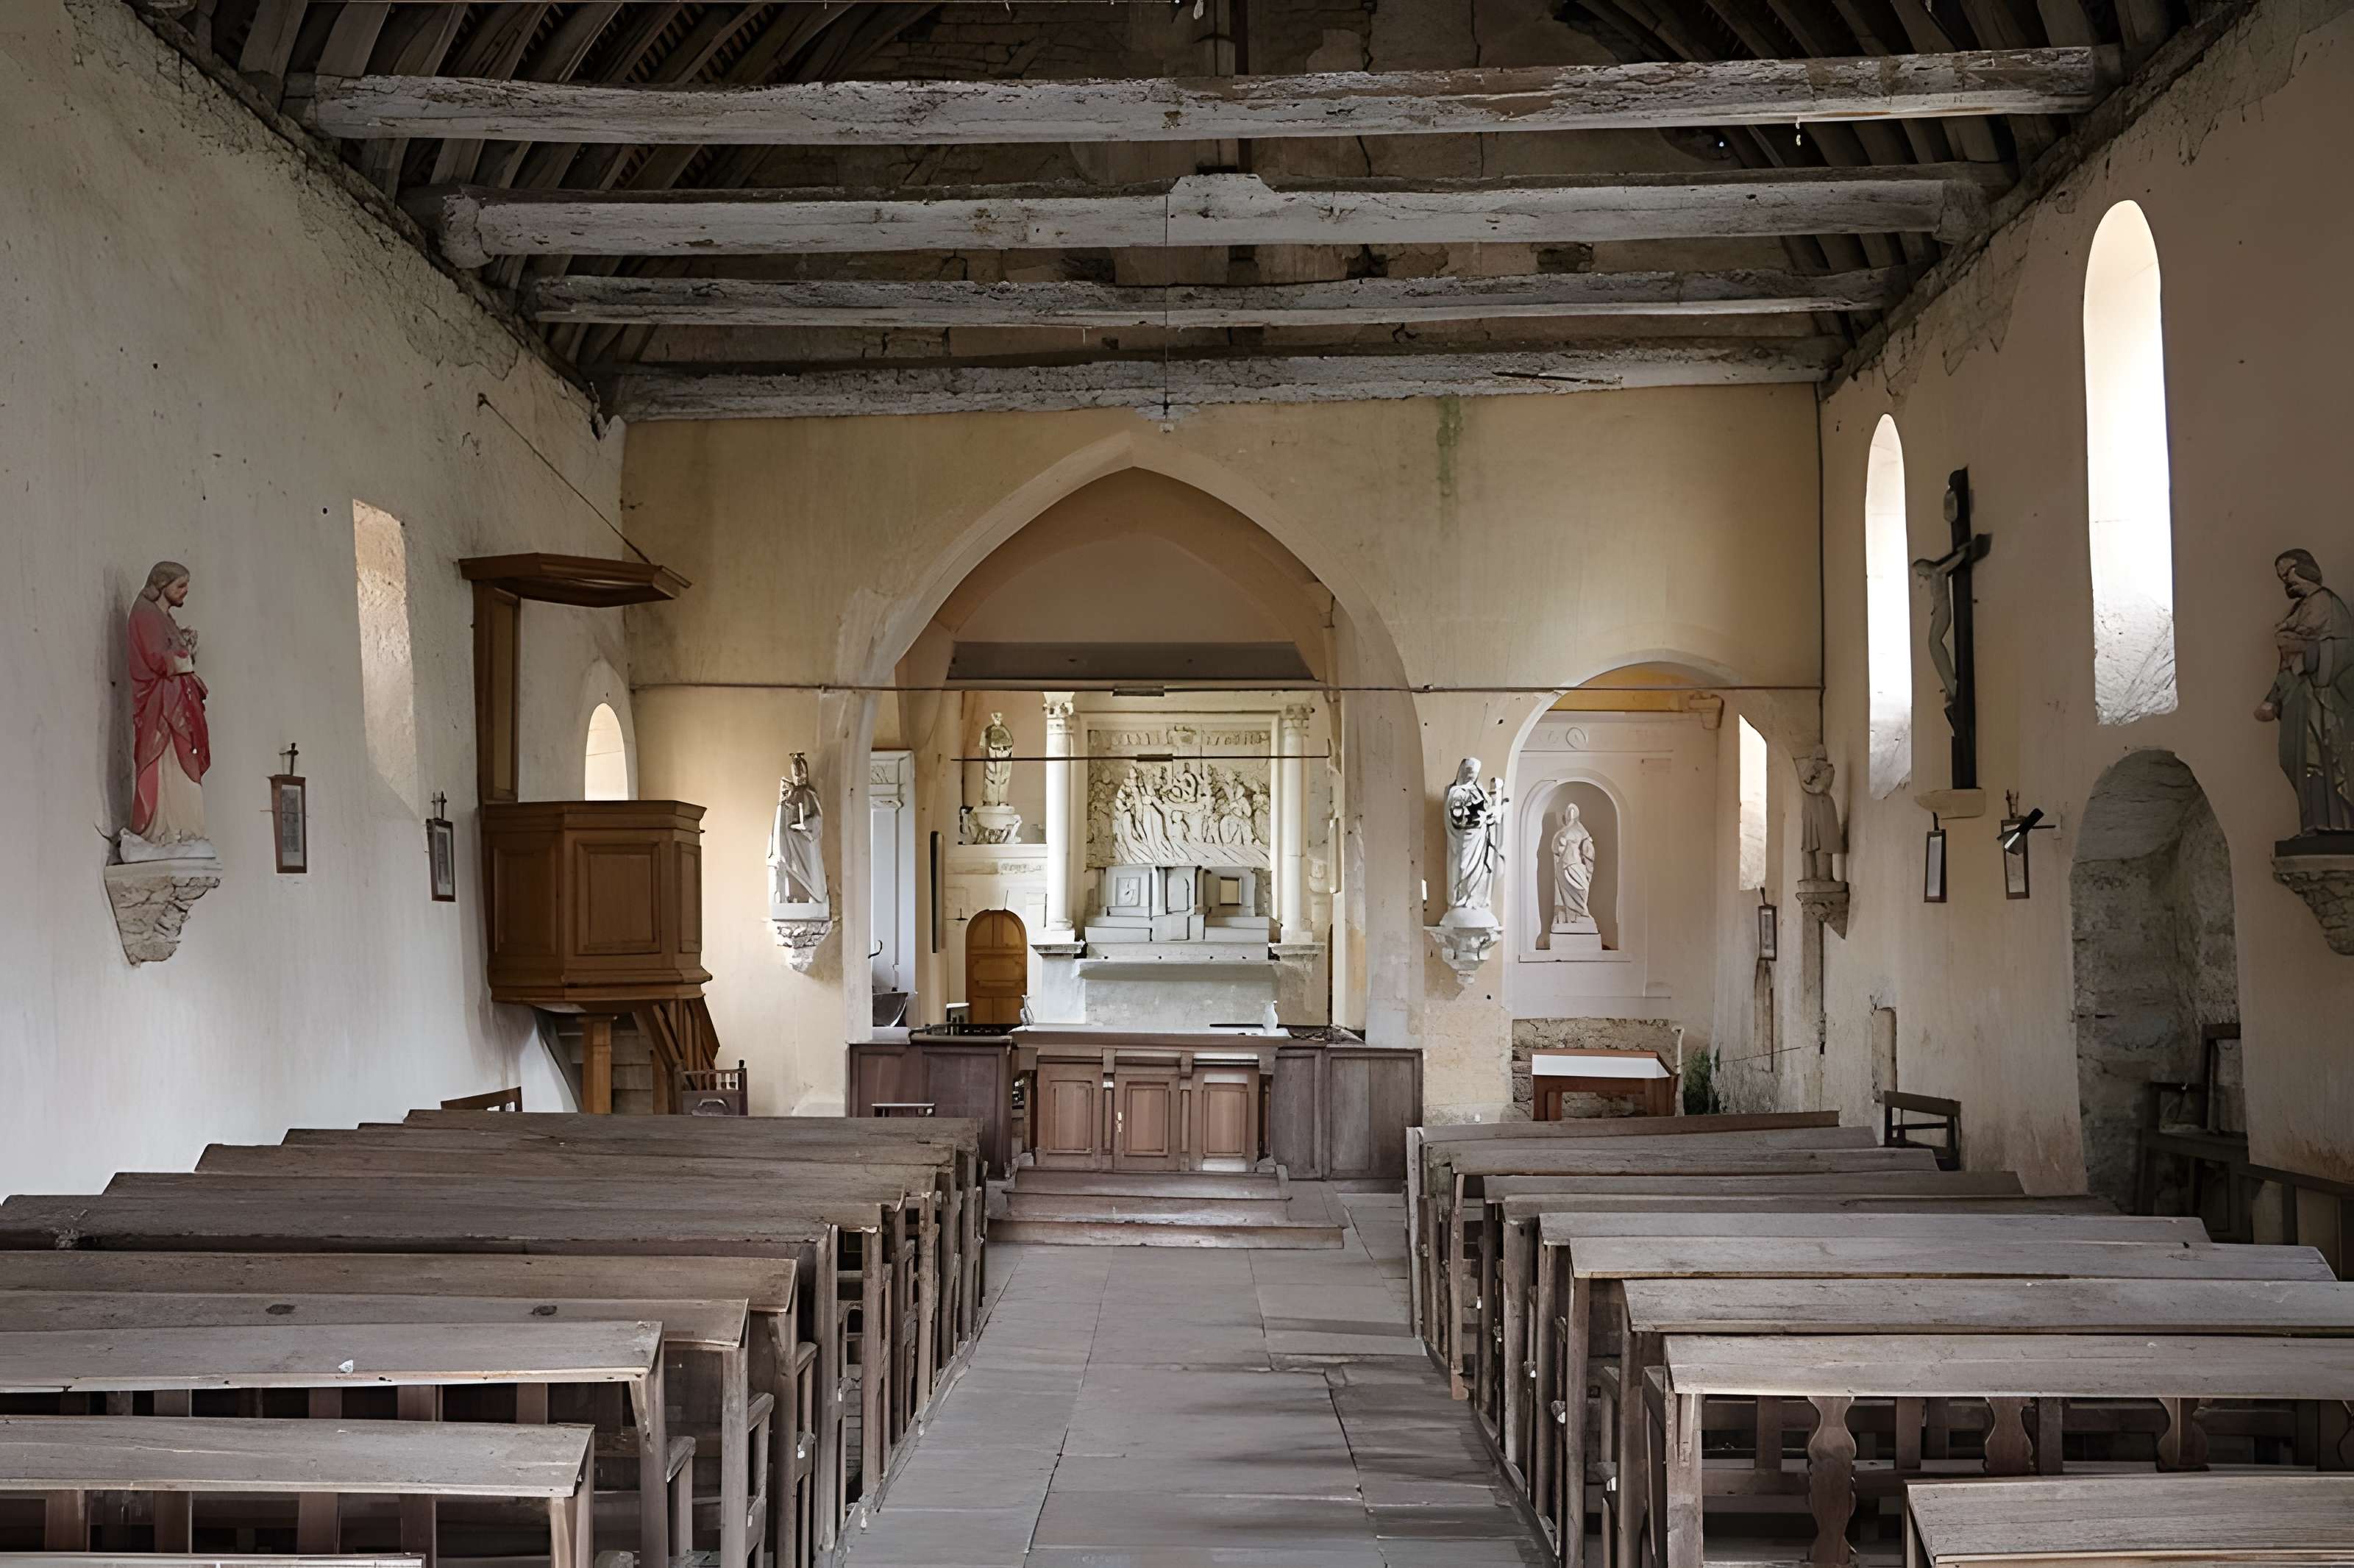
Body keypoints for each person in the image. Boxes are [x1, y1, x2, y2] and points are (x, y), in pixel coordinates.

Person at [2256, 549, 2354, 835]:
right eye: (2281, 577)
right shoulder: (2298, 609)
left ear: (2306, 569)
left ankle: (2337, 825)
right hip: (2298, 698)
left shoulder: (2327, 603)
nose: (2287, 583)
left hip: (2322, 701)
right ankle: (2312, 823)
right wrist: (2274, 695)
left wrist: (2306, 658)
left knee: (2322, 760)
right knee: (2294, 760)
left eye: (2288, 573)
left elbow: (2343, 651)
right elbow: (2287, 659)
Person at [124, 560, 212, 859]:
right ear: (162, 586)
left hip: (177, 706)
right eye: (180, 586)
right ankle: (163, 831)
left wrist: (184, 645)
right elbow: (156, 659)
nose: (185, 592)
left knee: (186, 765)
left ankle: (186, 831)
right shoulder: (145, 614)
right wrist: (183, 656)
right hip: (160, 710)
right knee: (168, 766)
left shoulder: (164, 617)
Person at [1443, 758, 1503, 921]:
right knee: (1463, 866)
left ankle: (1477, 900)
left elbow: (1490, 813)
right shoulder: (1456, 792)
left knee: (1481, 870)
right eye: (1469, 772)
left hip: (1481, 839)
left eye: (1475, 773)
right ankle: (1462, 901)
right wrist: (1480, 818)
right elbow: (1457, 818)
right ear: (1462, 772)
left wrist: (1493, 812)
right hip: (1464, 839)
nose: (1472, 776)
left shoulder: (1481, 792)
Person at [769, 752, 828, 908]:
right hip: (792, 841)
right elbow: (783, 819)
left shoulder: (809, 793)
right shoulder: (791, 795)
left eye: (800, 771)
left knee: (809, 870)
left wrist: (805, 825)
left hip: (806, 842)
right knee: (790, 867)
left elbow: (817, 818)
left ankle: (812, 894)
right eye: (795, 772)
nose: (798, 775)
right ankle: (793, 896)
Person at [1550, 804, 1596, 931]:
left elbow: (1589, 850)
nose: (1571, 815)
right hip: (1565, 865)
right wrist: (1560, 847)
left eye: (1573, 811)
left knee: (1582, 887)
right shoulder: (1563, 832)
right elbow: (1555, 848)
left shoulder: (1581, 830)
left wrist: (1588, 866)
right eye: (1569, 812)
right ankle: (1572, 915)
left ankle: (1581, 913)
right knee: (1567, 889)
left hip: (1576, 864)